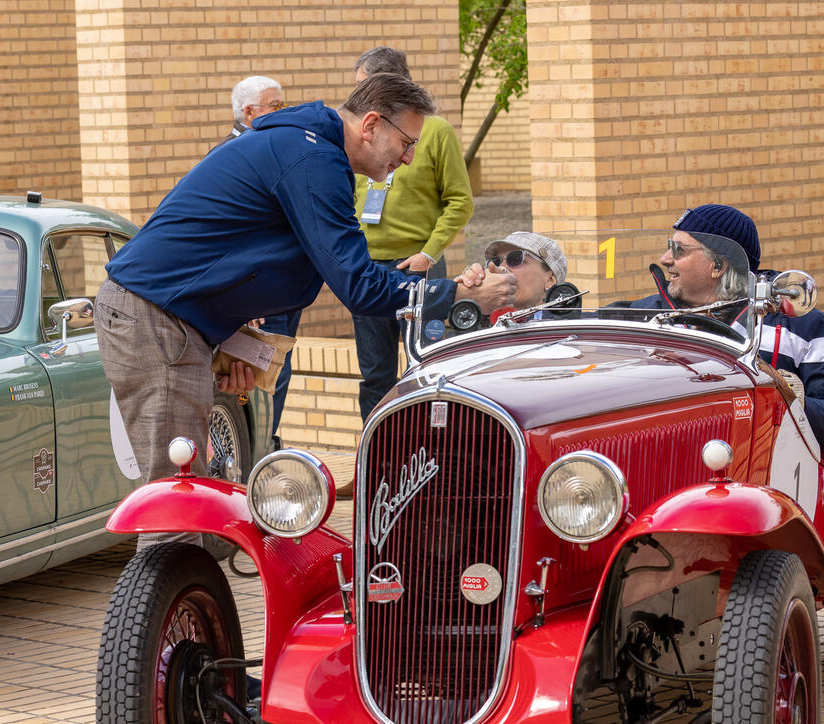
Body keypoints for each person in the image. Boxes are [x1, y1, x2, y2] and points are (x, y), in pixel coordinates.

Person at [94, 73, 515, 533]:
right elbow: (359, 288)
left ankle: (184, 600)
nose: (410, 158)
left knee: (185, 493)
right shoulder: (313, 158)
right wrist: (453, 292)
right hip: (156, 319)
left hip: (169, 318)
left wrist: (231, 336)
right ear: (371, 124)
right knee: (175, 500)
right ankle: (167, 605)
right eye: (406, 142)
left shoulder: (307, 148)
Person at [621, 204, 824, 461]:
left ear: (717, 265)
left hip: (763, 481)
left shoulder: (802, 327)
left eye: (678, 250)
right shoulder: (644, 314)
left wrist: (794, 401)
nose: (665, 258)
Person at [350, 47, 474, 422]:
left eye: (362, 85)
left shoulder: (434, 132)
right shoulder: (363, 134)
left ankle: (427, 451)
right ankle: (377, 456)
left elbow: (460, 202)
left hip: (419, 268)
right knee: (375, 375)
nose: (354, 95)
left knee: (426, 368)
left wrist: (429, 254)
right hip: (368, 269)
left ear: (386, 85)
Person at [211, 75, 299, 441]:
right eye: (276, 106)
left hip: (280, 291)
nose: (284, 113)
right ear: (249, 113)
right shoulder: (231, 155)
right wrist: (244, 296)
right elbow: (226, 236)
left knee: (277, 373)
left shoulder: (267, 148)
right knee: (255, 380)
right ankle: (255, 455)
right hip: (254, 298)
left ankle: (265, 446)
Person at [216, 75, 285, 147]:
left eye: (282, 105)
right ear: (249, 112)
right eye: (275, 105)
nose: (283, 111)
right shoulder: (230, 152)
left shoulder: (268, 142)